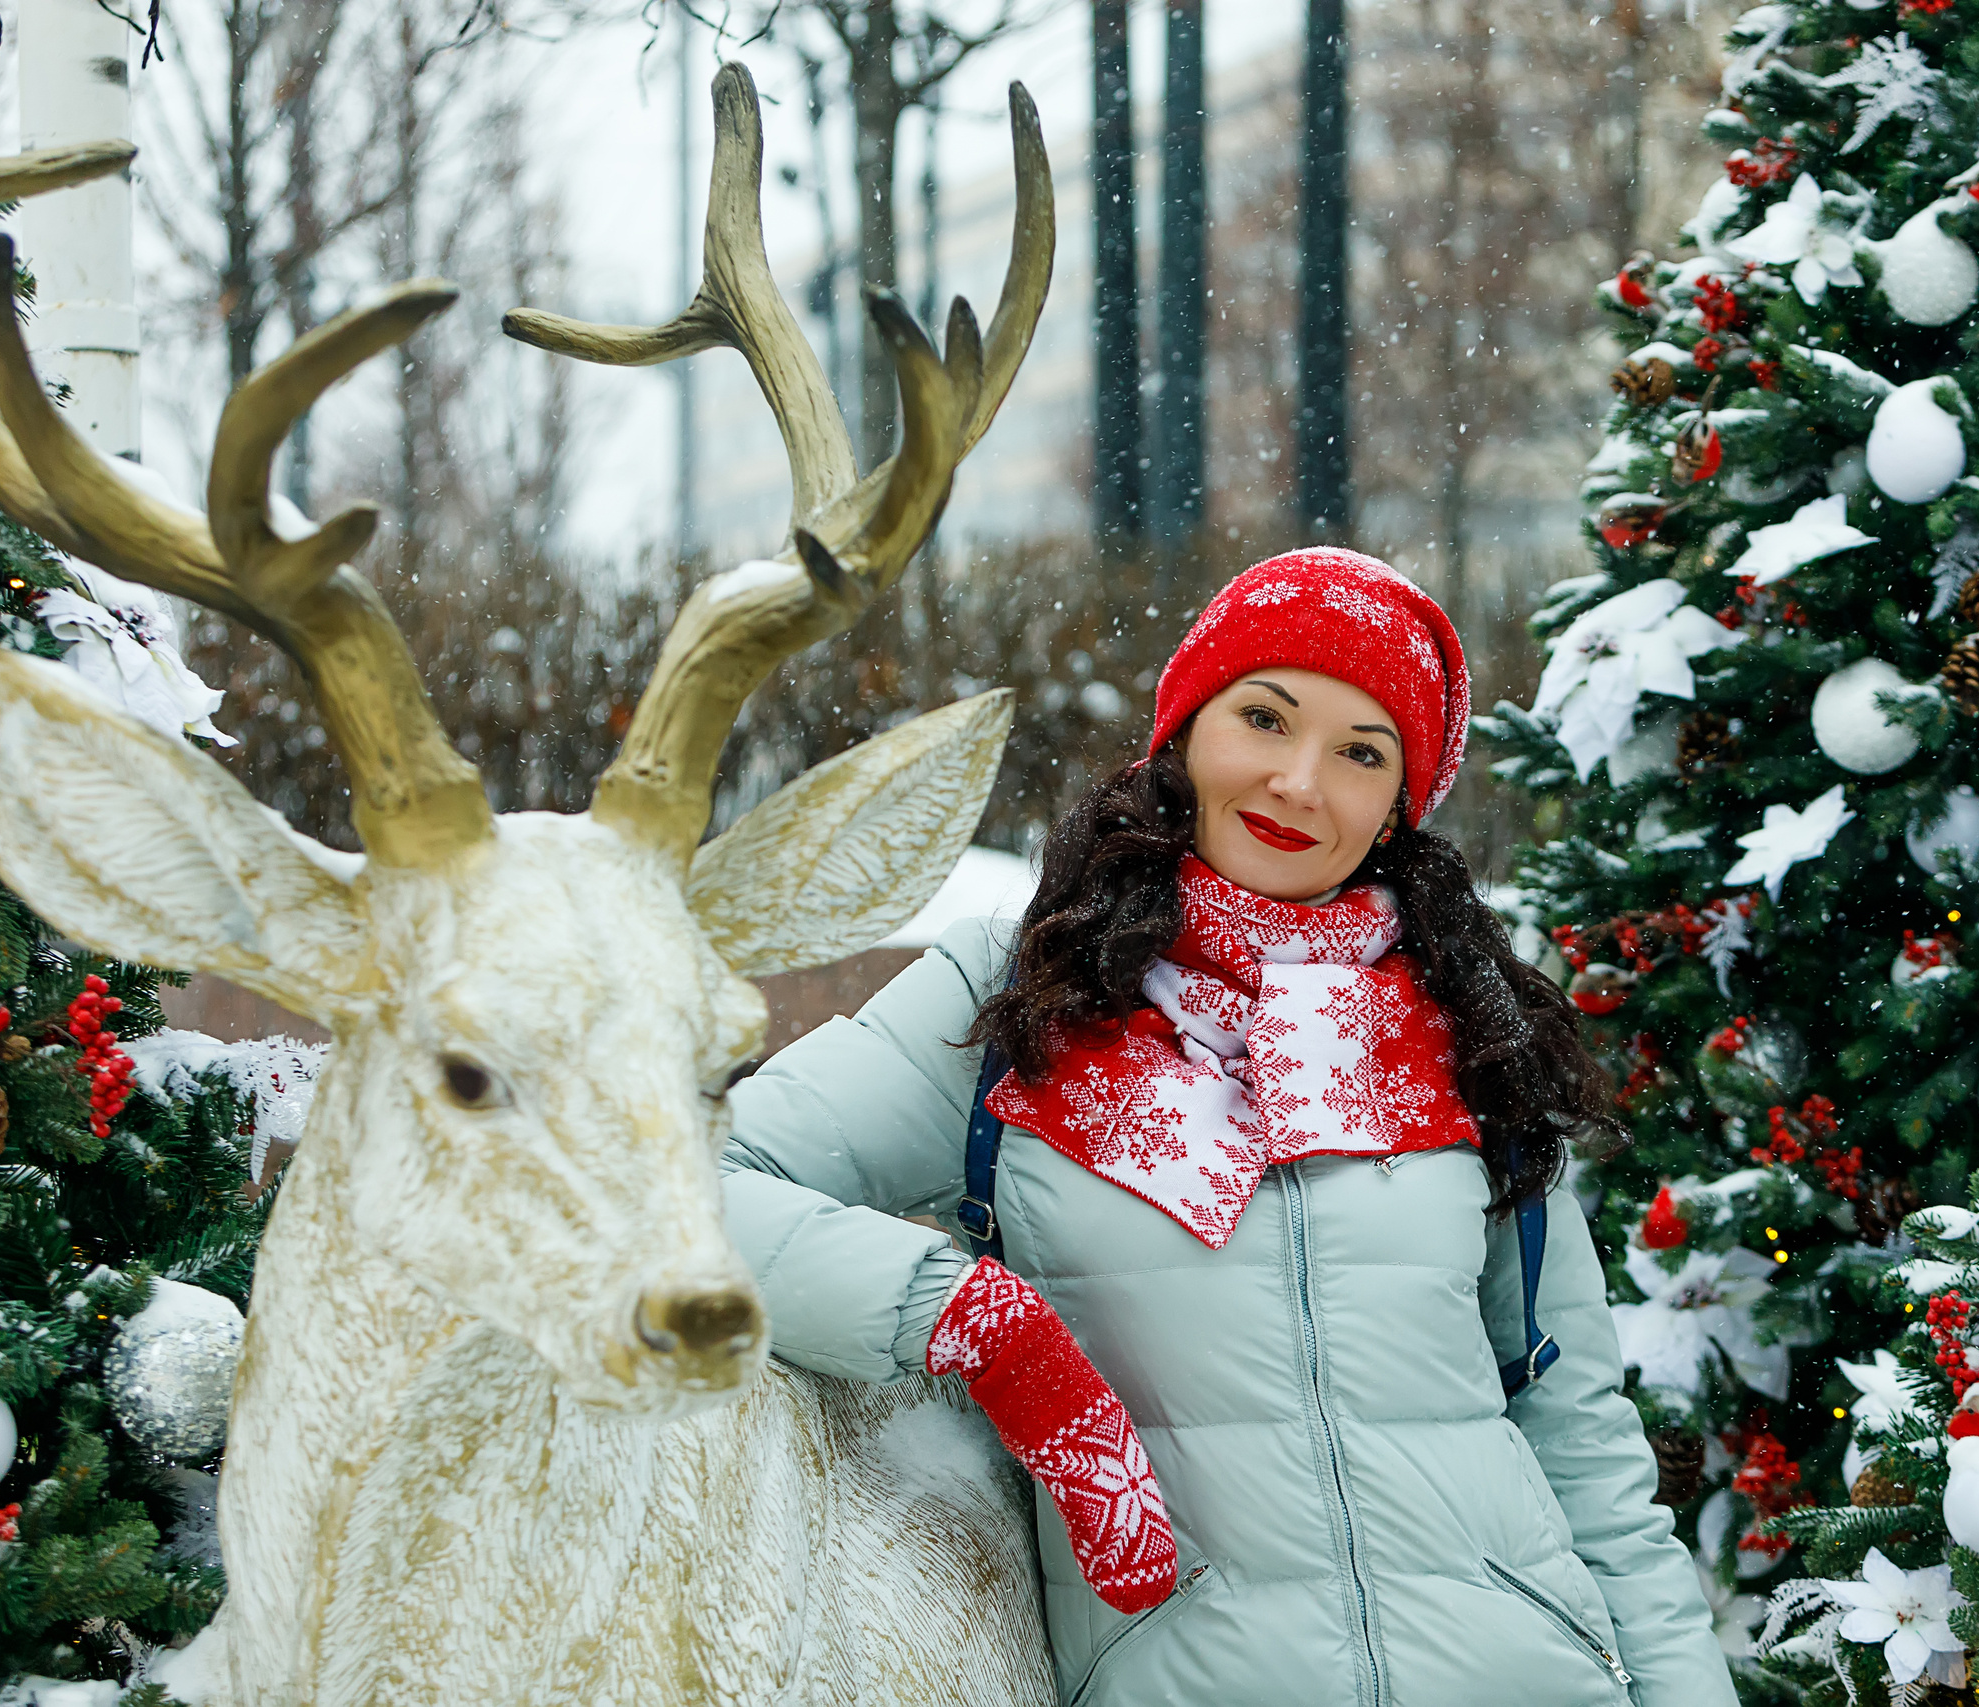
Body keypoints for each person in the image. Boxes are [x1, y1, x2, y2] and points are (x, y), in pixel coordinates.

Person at [720, 548, 1734, 1707]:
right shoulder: (1018, 998)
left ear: (1400, 805)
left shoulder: (1462, 1024)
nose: (1302, 782)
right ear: (1186, 732)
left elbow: (1576, 1430)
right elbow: (690, 1190)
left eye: (1363, 751)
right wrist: (983, 1326)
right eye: (1265, 716)